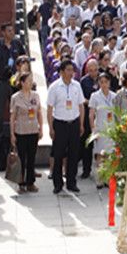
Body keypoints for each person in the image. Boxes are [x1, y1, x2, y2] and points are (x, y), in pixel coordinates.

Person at [46, 60, 83, 194]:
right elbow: (49, 109)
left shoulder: (77, 86)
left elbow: (81, 105)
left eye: (72, 70)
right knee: (58, 154)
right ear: (61, 72)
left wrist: (81, 123)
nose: (71, 72)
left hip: (74, 123)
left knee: (73, 154)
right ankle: (57, 183)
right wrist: (50, 127)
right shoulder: (54, 87)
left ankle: (71, 182)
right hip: (60, 124)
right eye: (67, 70)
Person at [10, 71, 43, 192]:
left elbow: (39, 112)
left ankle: (30, 182)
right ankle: (21, 182)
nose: (30, 83)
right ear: (22, 83)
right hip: (21, 130)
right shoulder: (15, 97)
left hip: (33, 130)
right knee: (21, 158)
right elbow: (12, 117)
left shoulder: (35, 96)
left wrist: (41, 128)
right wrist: (12, 134)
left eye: (31, 81)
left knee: (31, 158)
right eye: (28, 81)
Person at [87, 72, 115, 188]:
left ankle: (107, 178)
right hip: (100, 128)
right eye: (101, 82)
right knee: (100, 154)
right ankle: (99, 178)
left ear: (109, 82)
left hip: (111, 128)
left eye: (106, 82)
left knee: (109, 154)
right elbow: (91, 114)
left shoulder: (114, 96)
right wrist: (93, 130)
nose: (104, 84)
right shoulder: (95, 96)